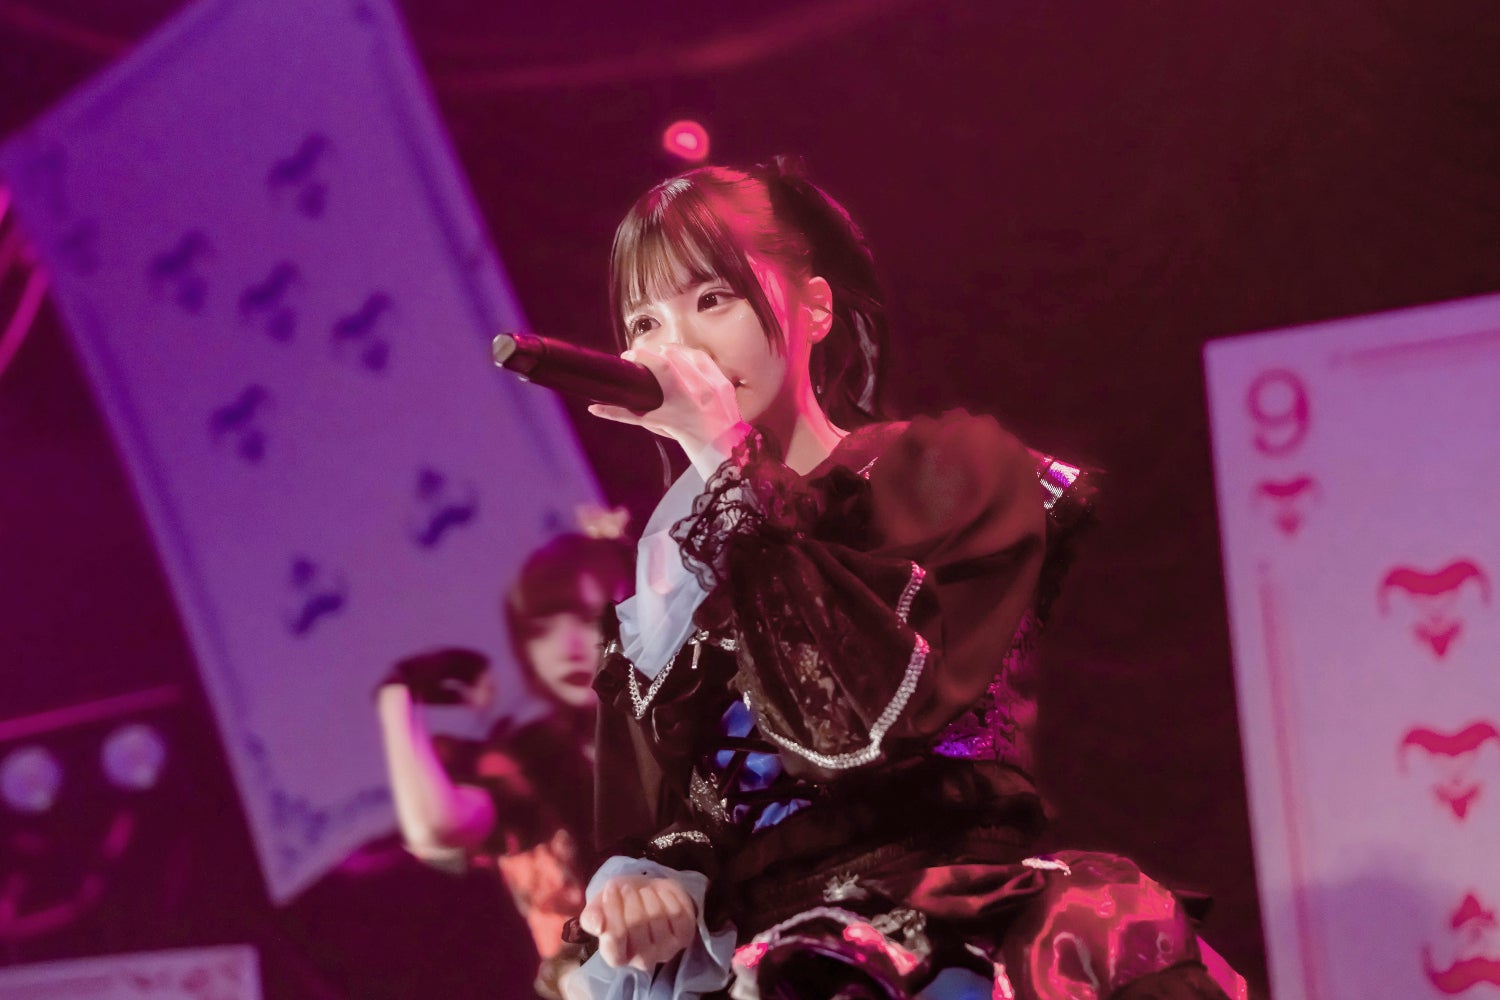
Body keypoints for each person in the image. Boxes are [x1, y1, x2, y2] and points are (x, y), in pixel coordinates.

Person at [562, 158, 1238, 1000]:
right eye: (646, 322)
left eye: (712, 299)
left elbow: (855, 728)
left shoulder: (940, 471)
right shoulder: (668, 570)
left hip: (941, 925)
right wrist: (646, 883)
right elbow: (666, 818)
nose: (680, 349)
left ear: (815, 307)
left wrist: (729, 464)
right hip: (753, 962)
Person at [377, 532, 632, 999]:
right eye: (541, 630)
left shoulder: (677, 723)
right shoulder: (531, 760)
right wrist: (397, 696)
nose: (567, 646)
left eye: (586, 618)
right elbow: (436, 827)